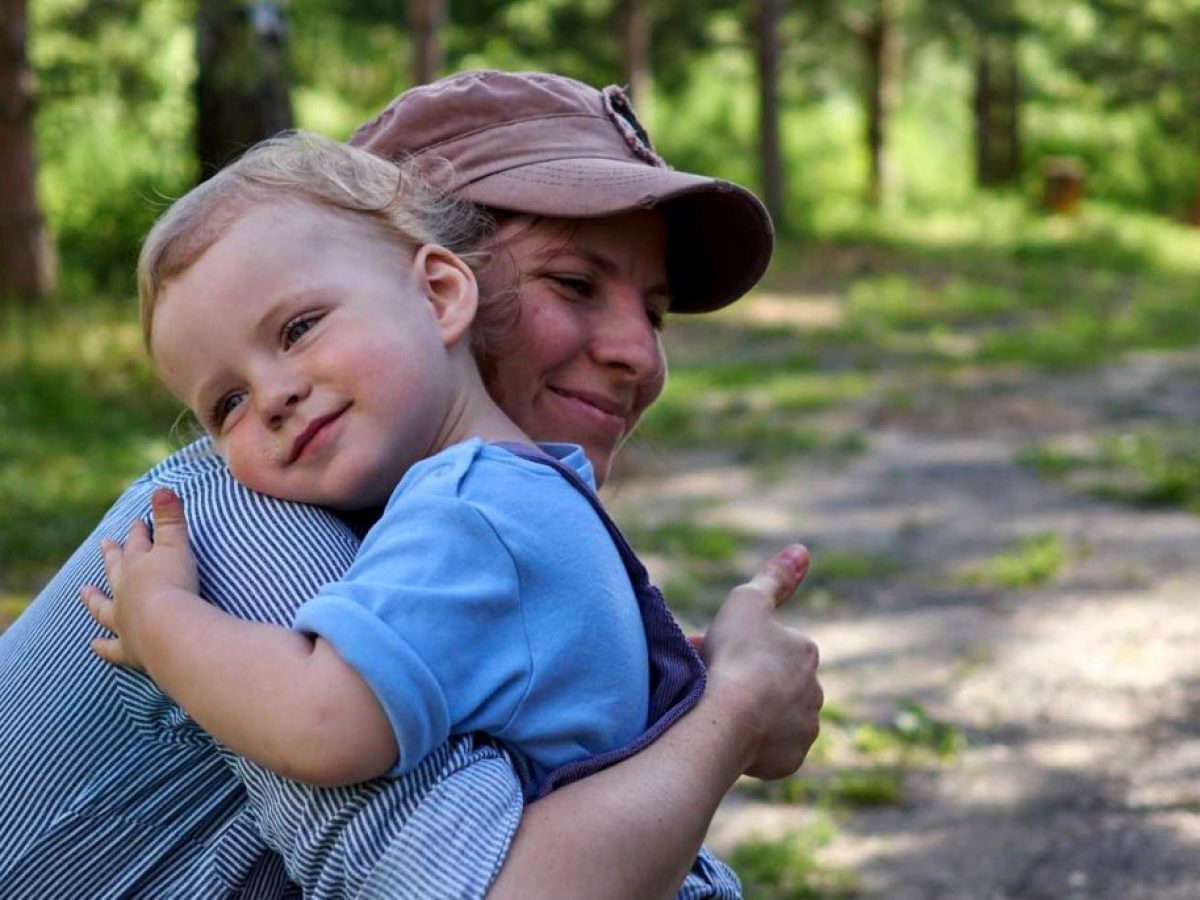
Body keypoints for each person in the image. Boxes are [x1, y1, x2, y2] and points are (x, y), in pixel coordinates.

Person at [0, 70, 822, 899]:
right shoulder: (233, 526)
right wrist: (733, 716)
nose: (640, 356)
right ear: (443, 285)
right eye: (574, 283)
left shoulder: (477, 508)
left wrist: (692, 696)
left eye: (654, 311)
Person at [81, 130, 710, 804]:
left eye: (298, 329)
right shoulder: (521, 492)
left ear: (439, 296)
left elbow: (320, 723)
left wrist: (161, 620)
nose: (272, 398)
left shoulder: (472, 513)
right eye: (227, 401)